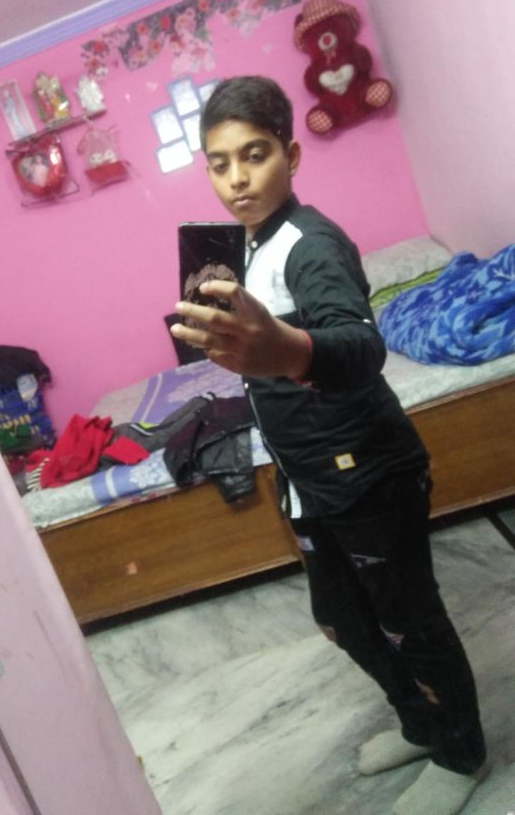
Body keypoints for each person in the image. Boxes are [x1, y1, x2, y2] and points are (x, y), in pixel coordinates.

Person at [170, 75, 488, 815]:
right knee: (343, 620)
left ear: (290, 155)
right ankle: (421, 723)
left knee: (411, 621)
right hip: (308, 477)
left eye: (255, 155)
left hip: (369, 471)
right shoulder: (243, 247)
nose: (237, 178)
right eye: (219, 163)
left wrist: (288, 350)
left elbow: (361, 346)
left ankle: (462, 752)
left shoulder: (311, 244)